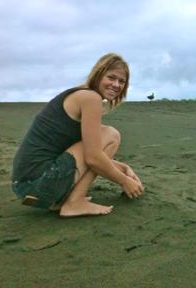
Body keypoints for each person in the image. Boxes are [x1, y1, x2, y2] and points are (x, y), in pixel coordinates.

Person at [11, 53, 144, 217]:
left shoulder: (81, 94)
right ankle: (75, 202)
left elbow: (86, 152)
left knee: (103, 136)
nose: (116, 85)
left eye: (121, 81)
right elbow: (93, 158)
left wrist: (124, 168)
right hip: (37, 183)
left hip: (25, 185)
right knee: (111, 135)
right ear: (98, 74)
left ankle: (64, 199)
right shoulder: (90, 97)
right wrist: (124, 181)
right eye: (111, 77)